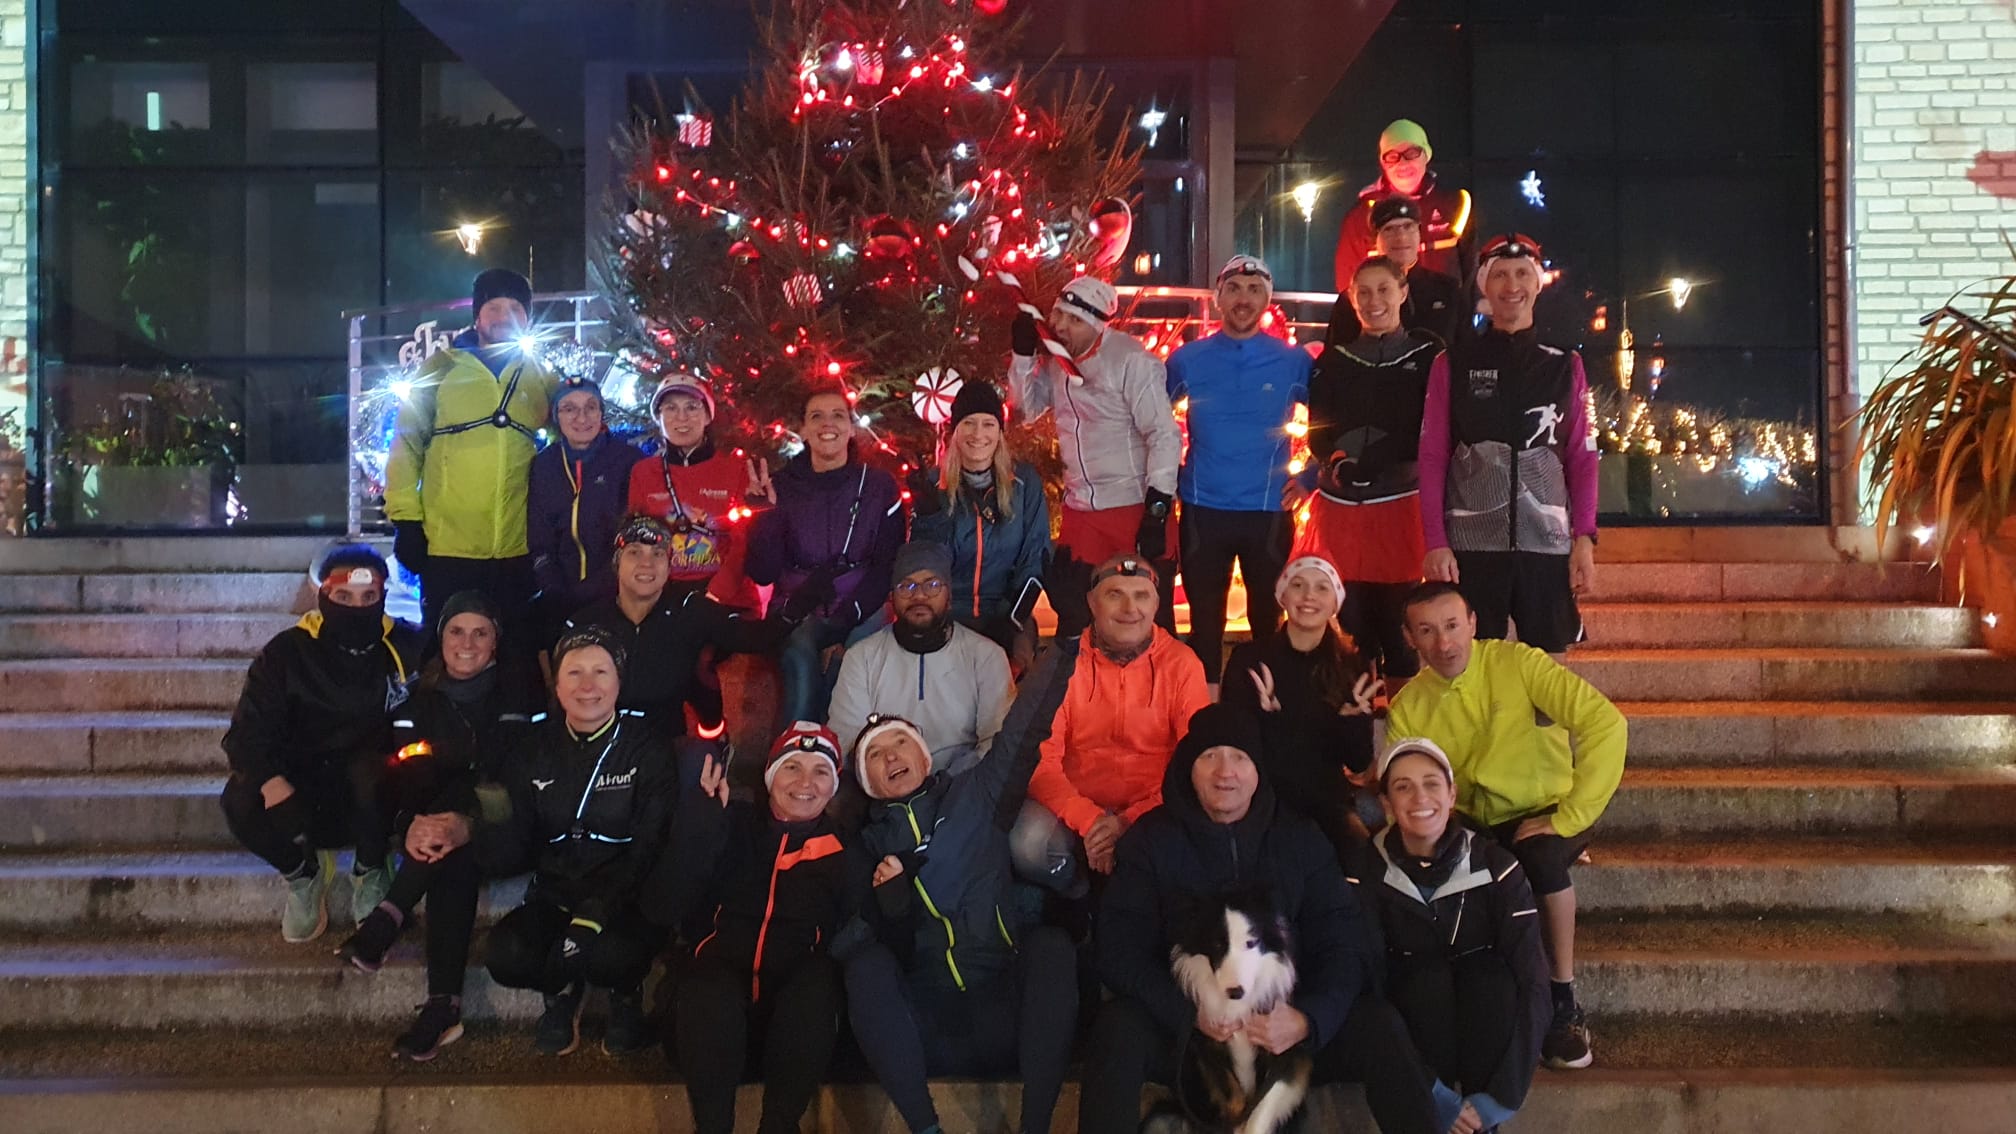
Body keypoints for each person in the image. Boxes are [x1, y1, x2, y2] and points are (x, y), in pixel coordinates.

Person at [1084, 703, 1438, 1134]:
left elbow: (1344, 941)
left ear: (1258, 769)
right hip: (1191, 1036)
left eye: (1239, 757)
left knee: (1378, 1024)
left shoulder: (1300, 837)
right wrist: (1185, 1014)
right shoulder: (1150, 841)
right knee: (1117, 1028)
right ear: (1188, 767)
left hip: (1286, 1032)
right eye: (1209, 756)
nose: (1225, 772)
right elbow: (1118, 950)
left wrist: (1308, 1019)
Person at [1389, 581, 1629, 1070]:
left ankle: (1563, 1000)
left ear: (1473, 623)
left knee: (1538, 860)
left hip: (1544, 807)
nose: (1444, 643)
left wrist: (1571, 816)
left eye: (1453, 626)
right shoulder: (1408, 705)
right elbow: (1401, 786)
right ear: (1410, 638)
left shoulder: (1519, 663)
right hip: (1468, 819)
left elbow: (1606, 723)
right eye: (1427, 631)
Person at [844, 707, 1080, 1134]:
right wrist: (893, 909)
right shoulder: (865, 847)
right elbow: (858, 951)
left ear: (924, 758)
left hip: (1003, 1011)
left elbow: (1023, 732)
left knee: (1051, 946)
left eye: (900, 742)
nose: (891, 756)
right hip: (925, 1029)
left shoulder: (975, 795)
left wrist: (1057, 663)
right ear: (867, 784)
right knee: (865, 966)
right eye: (874, 754)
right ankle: (926, 1128)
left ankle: (1036, 1127)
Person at [336, 591, 537, 1061]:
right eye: (456, 631)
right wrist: (411, 825)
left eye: (480, 633)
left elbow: (522, 784)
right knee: (450, 851)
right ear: (441, 638)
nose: (467, 643)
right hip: (443, 841)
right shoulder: (416, 702)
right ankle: (443, 1007)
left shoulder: (519, 695)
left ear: (495, 642)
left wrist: (470, 821)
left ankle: (388, 917)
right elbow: (405, 783)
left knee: (460, 802)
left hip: (509, 828)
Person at [651, 722, 866, 1134]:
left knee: (818, 980)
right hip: (710, 1032)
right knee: (708, 983)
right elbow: (661, 907)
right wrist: (697, 829)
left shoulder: (845, 850)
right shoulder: (731, 823)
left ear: (834, 786)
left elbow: (868, 938)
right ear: (770, 776)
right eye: (792, 767)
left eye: (820, 771)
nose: (805, 783)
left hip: (791, 1043)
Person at [479, 627, 675, 1056]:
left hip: (625, 898)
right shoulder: (533, 748)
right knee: (505, 956)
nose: (588, 685)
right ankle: (562, 991)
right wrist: (479, 826)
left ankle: (626, 994)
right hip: (556, 893)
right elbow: (516, 842)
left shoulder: (648, 748)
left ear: (619, 681)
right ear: (557, 685)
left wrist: (597, 911)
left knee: (610, 955)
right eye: (574, 673)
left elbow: (650, 844)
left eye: (600, 672)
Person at [219, 544, 425, 944]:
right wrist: (271, 783)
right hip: (302, 792)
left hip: (376, 794)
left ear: (383, 596)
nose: (357, 607)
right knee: (238, 800)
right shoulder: (286, 652)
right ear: (322, 595)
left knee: (375, 771)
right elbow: (246, 733)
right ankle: (303, 875)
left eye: (368, 597)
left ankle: (370, 870)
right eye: (343, 597)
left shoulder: (407, 645)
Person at [1346, 737, 1551, 1134]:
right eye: (1403, 787)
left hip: (1483, 1024)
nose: (1420, 797)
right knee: (1424, 980)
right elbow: (1365, 987)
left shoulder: (1497, 866)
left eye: (1431, 783)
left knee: (1491, 979)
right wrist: (1432, 1094)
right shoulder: (1364, 872)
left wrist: (1500, 1099)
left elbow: (1534, 981)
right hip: (1414, 1041)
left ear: (1452, 794)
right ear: (1386, 803)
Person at [1419, 233, 1599, 654]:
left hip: (1546, 542)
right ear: (1484, 284)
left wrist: (1584, 538)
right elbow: (1432, 456)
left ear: (1538, 283)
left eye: (1522, 274)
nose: (1511, 285)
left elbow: (1583, 456)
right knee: (1473, 670)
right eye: (1500, 275)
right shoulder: (1453, 362)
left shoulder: (1565, 365)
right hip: (1472, 544)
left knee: (1548, 672)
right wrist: (1436, 541)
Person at [1010, 555, 1209, 899]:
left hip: (1153, 808)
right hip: (1073, 808)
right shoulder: (1064, 660)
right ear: (1092, 602)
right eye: (1115, 594)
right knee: (1028, 843)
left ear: (1157, 604)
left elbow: (1193, 761)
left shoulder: (1182, 665)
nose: (1130, 609)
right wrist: (1092, 822)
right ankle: (1077, 894)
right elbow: (1040, 760)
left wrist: (1128, 821)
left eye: (1141, 595)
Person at [385, 268, 557, 656]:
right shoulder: (440, 368)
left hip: (516, 548)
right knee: (445, 653)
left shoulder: (540, 376)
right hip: (448, 548)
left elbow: (569, 436)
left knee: (515, 654)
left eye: (516, 308)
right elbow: (406, 443)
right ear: (477, 315)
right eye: (494, 307)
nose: (505, 316)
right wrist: (406, 521)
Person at [1291, 255, 1444, 679]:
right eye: (1364, 292)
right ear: (1352, 299)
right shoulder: (1334, 359)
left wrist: (1379, 459)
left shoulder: (1430, 355)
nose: (1374, 300)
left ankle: (1402, 721)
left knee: (1400, 631)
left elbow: (1431, 429)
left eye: (1384, 290)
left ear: (1403, 292)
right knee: (1351, 631)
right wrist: (1337, 462)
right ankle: (1359, 719)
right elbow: (1319, 431)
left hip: (1401, 507)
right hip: (1341, 511)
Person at [1165, 254, 1310, 691]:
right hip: (1203, 508)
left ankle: (1264, 708)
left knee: (1268, 622)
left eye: (1254, 290)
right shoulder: (1187, 359)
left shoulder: (1293, 361)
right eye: (1234, 289)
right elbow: (1148, 420)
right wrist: (1167, 475)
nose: (1243, 299)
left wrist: (1311, 477)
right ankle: (1203, 713)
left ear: (1267, 300)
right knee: (1204, 626)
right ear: (1218, 298)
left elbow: (1336, 418)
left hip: (1267, 510)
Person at [1007, 276, 1182, 637]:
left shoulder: (1131, 360)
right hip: (1081, 509)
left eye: (1074, 320)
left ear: (1098, 324)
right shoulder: (1058, 359)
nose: (1061, 326)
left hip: (1132, 506)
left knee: (1147, 619)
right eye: (1058, 315)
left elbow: (1163, 434)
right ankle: (1082, 673)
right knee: (1076, 614)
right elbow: (1025, 410)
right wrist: (1023, 356)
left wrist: (1158, 508)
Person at [564, 515, 806, 745]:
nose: (646, 563)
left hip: (663, 747)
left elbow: (755, 638)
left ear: (669, 565)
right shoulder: (586, 623)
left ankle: (715, 741)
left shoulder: (689, 609)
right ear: (617, 563)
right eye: (634, 552)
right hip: (600, 744)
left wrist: (805, 599)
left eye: (658, 554)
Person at [745, 387, 905, 726]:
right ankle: (796, 747)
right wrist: (764, 517)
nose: (827, 424)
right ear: (803, 430)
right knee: (800, 661)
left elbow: (887, 564)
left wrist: (851, 613)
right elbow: (763, 573)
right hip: (798, 604)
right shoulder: (780, 486)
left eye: (838, 415)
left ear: (851, 428)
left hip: (861, 603)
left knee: (856, 665)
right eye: (816, 416)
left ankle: (847, 747)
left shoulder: (879, 486)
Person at [1219, 556, 1379, 854]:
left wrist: (1352, 721)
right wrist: (1269, 718)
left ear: (1335, 604)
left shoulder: (1352, 666)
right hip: (1261, 802)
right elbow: (1234, 746)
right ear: (1282, 596)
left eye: (1322, 588)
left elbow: (1358, 762)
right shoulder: (1249, 660)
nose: (1308, 596)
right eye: (1298, 585)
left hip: (1327, 803)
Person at [827, 540, 1014, 777]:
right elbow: (847, 741)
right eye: (906, 586)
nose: (919, 596)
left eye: (932, 585)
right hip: (887, 785)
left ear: (949, 596)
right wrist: (896, 781)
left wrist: (947, 785)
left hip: (964, 786)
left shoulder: (986, 656)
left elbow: (996, 744)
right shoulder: (862, 657)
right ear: (892, 597)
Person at [907, 379, 1050, 673]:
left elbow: (1036, 558)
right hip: (947, 615)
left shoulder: (1024, 483)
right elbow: (924, 567)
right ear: (955, 431)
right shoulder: (934, 485)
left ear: (1000, 431)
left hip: (1006, 612)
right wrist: (929, 519)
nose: (978, 434)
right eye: (969, 423)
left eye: (988, 424)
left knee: (1012, 671)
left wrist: (1011, 619)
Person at [626, 372, 763, 611]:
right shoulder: (643, 472)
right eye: (670, 408)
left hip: (727, 598)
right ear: (658, 417)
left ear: (708, 416)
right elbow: (637, 539)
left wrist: (715, 595)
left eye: (692, 407)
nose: (682, 417)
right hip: (666, 597)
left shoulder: (736, 468)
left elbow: (743, 543)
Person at [527, 376, 644, 649]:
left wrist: (595, 589)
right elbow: (539, 536)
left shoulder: (628, 461)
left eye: (591, 407)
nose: (582, 417)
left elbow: (634, 535)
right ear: (556, 416)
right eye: (569, 408)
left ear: (602, 413)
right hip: (559, 592)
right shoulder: (545, 464)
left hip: (615, 592)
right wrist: (552, 586)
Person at [1333, 118, 1474, 290]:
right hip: (1384, 308)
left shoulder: (1456, 206)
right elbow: (1348, 285)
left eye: (1412, 153)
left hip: (1442, 306)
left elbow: (1473, 276)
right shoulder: (1361, 216)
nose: (1403, 163)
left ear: (1427, 155)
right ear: (1383, 163)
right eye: (1392, 156)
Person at [1325, 197, 1465, 349]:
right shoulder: (1353, 299)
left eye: (1408, 227)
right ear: (1375, 240)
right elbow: (1336, 356)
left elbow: (1464, 351)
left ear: (1419, 233)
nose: (1401, 237)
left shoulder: (1448, 290)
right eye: (1389, 229)